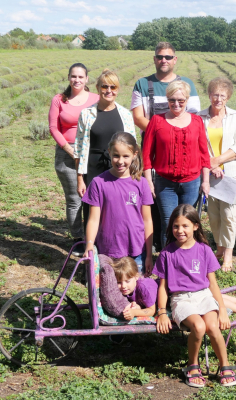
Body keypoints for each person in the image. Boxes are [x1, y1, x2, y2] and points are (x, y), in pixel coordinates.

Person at [154, 204, 236, 388]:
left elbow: (213, 284)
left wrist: (222, 309)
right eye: (176, 226)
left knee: (213, 326)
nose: (180, 230)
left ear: (195, 226)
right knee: (198, 327)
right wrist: (161, 312)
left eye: (185, 226)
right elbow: (162, 287)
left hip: (204, 295)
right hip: (181, 298)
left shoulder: (204, 250)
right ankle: (193, 366)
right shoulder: (167, 253)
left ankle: (224, 365)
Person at [131, 42, 201, 250]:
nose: (164, 60)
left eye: (168, 57)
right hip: (155, 151)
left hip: (183, 152)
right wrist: (161, 130)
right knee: (158, 207)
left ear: (175, 59)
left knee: (184, 214)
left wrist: (173, 132)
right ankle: (160, 251)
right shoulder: (142, 84)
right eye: (160, 56)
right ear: (154, 59)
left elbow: (194, 117)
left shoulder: (187, 83)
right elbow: (137, 116)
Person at [142, 80, 210, 248]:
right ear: (167, 100)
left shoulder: (196, 121)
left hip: (191, 183)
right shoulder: (157, 121)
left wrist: (206, 181)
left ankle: (185, 258)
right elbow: (146, 154)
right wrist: (149, 181)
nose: (176, 104)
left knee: (187, 223)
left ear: (187, 100)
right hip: (165, 184)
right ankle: (168, 261)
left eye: (181, 100)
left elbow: (204, 154)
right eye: (172, 100)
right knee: (168, 222)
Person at [82, 132, 154, 276]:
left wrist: (149, 255)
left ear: (134, 154)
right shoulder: (98, 183)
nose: (120, 161)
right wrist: (89, 244)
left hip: (136, 252)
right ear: (109, 153)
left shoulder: (142, 184)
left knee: (135, 292)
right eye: (116, 155)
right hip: (108, 252)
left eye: (125, 156)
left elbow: (147, 220)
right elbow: (93, 219)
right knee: (109, 292)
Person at [48, 63, 99, 256]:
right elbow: (54, 127)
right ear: (68, 77)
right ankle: (78, 239)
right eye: (73, 76)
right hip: (66, 155)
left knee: (95, 197)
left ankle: (94, 236)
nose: (77, 80)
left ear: (87, 79)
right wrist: (70, 149)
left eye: (80, 77)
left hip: (92, 154)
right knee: (74, 199)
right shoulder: (59, 100)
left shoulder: (95, 99)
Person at [74, 69, 135, 227]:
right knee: (92, 208)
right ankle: (91, 246)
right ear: (97, 87)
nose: (109, 91)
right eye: (104, 86)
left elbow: (132, 147)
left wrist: (133, 174)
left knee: (116, 207)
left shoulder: (125, 115)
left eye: (113, 87)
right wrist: (80, 179)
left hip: (119, 167)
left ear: (118, 89)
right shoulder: (86, 114)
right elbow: (79, 148)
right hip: (93, 168)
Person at [197, 77, 236, 272]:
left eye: (222, 95)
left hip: (230, 174)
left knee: (229, 214)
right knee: (214, 214)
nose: (218, 99)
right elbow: (197, 145)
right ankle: (218, 248)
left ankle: (228, 255)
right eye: (215, 94)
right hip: (208, 173)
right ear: (209, 95)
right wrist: (210, 165)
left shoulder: (235, 117)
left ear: (228, 97)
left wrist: (217, 161)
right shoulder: (200, 117)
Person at [111, 256, 157, 320]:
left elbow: (152, 311)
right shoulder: (127, 288)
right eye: (119, 282)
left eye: (127, 281)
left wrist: (134, 312)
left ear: (136, 276)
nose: (123, 286)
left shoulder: (143, 287)